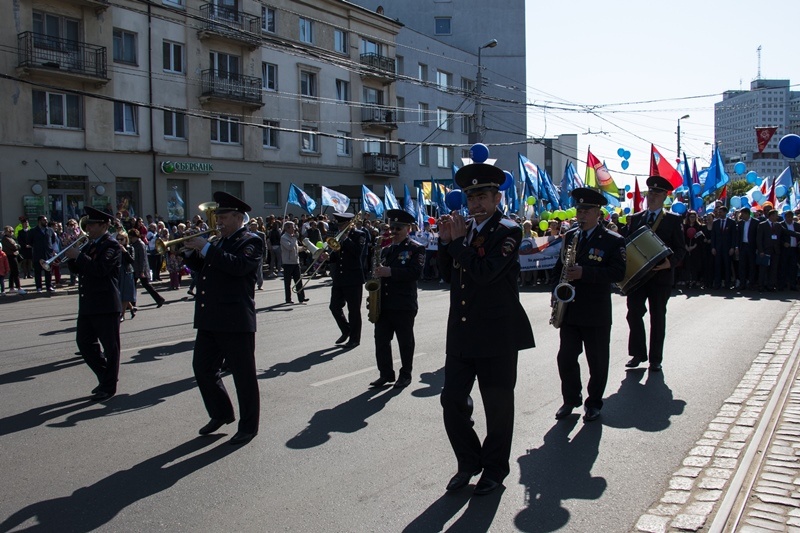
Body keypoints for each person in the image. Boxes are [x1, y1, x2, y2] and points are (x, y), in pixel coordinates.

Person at [436, 159, 535, 496]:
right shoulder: (466, 232)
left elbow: (484, 273)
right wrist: (445, 242)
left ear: (497, 199)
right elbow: (443, 274)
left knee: (497, 408)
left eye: (483, 196)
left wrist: (459, 245)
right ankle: (468, 461)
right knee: (451, 400)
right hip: (462, 334)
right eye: (471, 196)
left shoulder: (508, 230)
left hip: (497, 334)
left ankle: (494, 469)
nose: (475, 203)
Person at [182, 192, 263, 446]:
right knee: (203, 369)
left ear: (238, 218)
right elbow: (206, 269)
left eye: (224, 217)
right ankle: (220, 413)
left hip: (235, 320)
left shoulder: (251, 241)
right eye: (217, 216)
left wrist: (205, 247)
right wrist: (188, 253)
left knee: (243, 376)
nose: (218, 221)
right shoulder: (218, 242)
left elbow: (238, 267)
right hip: (210, 318)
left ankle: (248, 426)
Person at [553, 188, 626, 422]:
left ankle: (594, 403)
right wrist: (555, 294)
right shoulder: (570, 235)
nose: (581, 215)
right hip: (571, 309)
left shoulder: (613, 240)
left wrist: (585, 273)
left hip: (595, 311)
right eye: (579, 210)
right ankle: (570, 399)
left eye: (586, 211)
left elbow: (618, 272)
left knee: (597, 361)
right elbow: (559, 268)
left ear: (598, 213)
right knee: (565, 357)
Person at [625, 175, 686, 371]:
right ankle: (637, 353)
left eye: (656, 193)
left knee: (657, 317)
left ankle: (655, 359)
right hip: (638, 277)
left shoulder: (673, 220)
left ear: (665, 197)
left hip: (660, 277)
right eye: (650, 192)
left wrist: (670, 263)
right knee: (633, 313)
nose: (651, 196)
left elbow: (680, 248)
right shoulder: (635, 219)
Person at [64, 207, 122, 401]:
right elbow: (79, 269)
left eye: (92, 224)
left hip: (106, 304)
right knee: (84, 343)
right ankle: (105, 376)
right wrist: (71, 255)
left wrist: (78, 256)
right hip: (89, 303)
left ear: (104, 225)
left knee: (110, 347)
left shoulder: (112, 245)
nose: (87, 228)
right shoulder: (89, 244)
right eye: (87, 224)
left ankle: (108, 386)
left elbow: (100, 270)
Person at [368, 209, 424, 389]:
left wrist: (390, 272)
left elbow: (416, 273)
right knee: (381, 341)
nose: (394, 230)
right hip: (384, 304)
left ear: (408, 228)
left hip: (403, 304)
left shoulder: (416, 248)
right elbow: (378, 274)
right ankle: (385, 374)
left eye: (398, 227)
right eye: (392, 227)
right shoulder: (385, 250)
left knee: (405, 342)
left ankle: (405, 374)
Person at [325, 212, 367, 348]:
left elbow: (357, 253)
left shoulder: (359, 234)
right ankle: (346, 330)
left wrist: (346, 239)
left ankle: (355, 339)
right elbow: (337, 257)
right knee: (334, 307)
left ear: (349, 224)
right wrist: (327, 257)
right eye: (338, 225)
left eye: (342, 224)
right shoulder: (338, 236)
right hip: (340, 277)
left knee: (353, 310)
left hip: (353, 278)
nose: (339, 227)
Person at [129, 229, 165, 308]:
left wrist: (142, 271)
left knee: (146, 285)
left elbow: (142, 259)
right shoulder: (134, 244)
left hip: (141, 269)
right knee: (133, 286)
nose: (130, 239)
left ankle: (159, 299)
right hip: (135, 268)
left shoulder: (140, 244)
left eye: (131, 237)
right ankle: (132, 303)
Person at [280, 221, 307, 304]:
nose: (294, 229)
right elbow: (289, 247)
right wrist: (295, 238)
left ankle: (301, 297)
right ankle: (288, 298)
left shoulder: (292, 237)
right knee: (288, 282)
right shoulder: (284, 237)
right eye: (292, 227)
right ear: (287, 228)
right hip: (288, 262)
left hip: (295, 261)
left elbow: (295, 248)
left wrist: (303, 248)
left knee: (298, 281)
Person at [30, 215, 58, 293]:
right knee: (38, 272)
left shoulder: (50, 230)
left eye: (46, 220)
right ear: (39, 221)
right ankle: (39, 287)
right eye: (44, 220)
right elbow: (30, 241)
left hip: (48, 255)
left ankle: (49, 286)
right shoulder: (33, 231)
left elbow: (52, 241)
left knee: (48, 272)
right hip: (38, 255)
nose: (46, 221)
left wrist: (50, 250)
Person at [711, 206, 735, 289]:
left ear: (725, 212)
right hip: (717, 248)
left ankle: (727, 283)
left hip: (727, 249)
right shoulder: (716, 222)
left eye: (721, 212)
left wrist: (732, 247)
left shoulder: (731, 222)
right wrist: (713, 247)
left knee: (727, 266)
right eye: (718, 212)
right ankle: (717, 283)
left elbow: (733, 236)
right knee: (717, 266)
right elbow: (713, 236)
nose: (719, 213)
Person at [735, 207, 758, 291]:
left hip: (752, 247)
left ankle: (751, 283)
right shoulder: (740, 223)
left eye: (743, 214)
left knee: (752, 266)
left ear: (747, 214)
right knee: (742, 266)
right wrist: (737, 246)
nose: (741, 216)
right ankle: (742, 283)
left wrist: (757, 248)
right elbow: (738, 236)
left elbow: (757, 236)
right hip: (743, 246)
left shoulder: (756, 222)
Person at [116, 231, 137, 321]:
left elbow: (131, 260)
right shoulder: (115, 248)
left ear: (126, 239)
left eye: (121, 239)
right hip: (117, 272)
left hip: (127, 272)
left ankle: (122, 314)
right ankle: (131, 308)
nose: (119, 241)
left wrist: (124, 252)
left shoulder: (130, 248)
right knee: (120, 293)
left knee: (125, 294)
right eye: (118, 239)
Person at [2, 226, 23, 294]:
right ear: (6, 232)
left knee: (13, 272)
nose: (12, 232)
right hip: (10, 256)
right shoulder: (5, 239)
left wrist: (16, 246)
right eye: (10, 231)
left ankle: (12, 287)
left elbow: (18, 246)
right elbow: (14, 246)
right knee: (15, 271)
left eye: (12, 231)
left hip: (13, 255)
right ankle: (18, 287)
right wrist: (16, 246)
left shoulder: (11, 238)